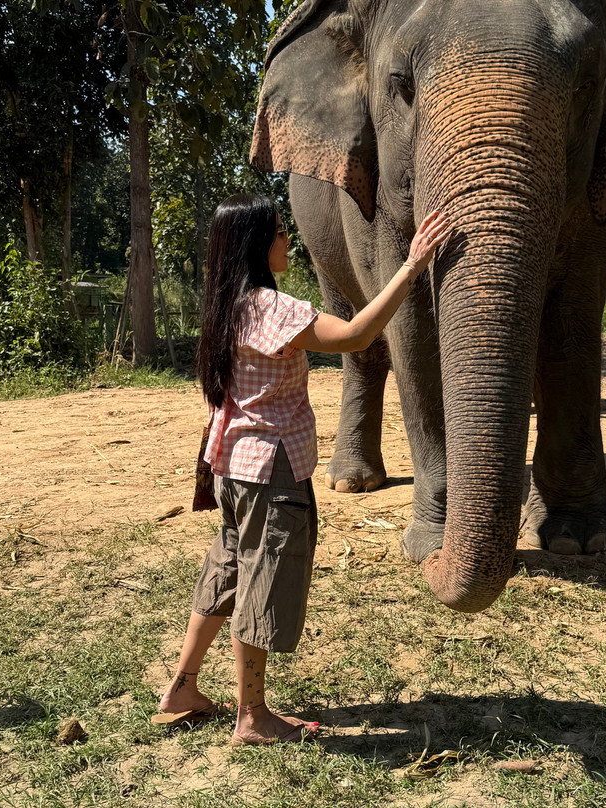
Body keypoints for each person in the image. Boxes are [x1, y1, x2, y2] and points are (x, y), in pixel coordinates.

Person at [153, 194, 450, 746]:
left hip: (231, 470)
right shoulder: (273, 309)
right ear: (256, 245)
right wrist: (410, 268)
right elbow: (358, 335)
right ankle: (253, 716)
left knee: (228, 573)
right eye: (279, 231)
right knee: (260, 584)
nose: (288, 239)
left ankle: (182, 688)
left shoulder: (225, 307)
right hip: (271, 473)